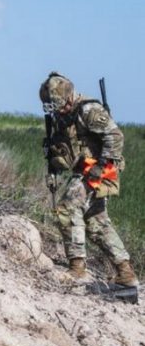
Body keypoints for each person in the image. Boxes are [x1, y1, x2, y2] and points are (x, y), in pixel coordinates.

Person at [40, 72, 139, 287]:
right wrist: (54, 170)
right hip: (85, 170)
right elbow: (63, 146)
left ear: (68, 98)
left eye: (59, 105)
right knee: (96, 222)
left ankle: (77, 269)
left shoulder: (88, 110)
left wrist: (101, 166)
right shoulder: (61, 115)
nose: (57, 110)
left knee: (67, 208)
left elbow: (115, 136)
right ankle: (126, 273)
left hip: (101, 170)